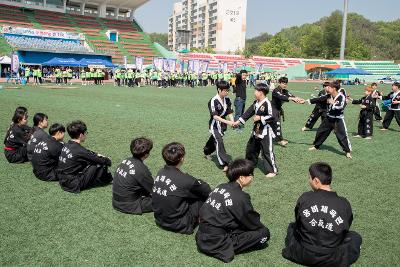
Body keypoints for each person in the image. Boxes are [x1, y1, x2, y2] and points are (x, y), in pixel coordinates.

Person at [282, 162, 362, 267]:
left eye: (309, 178)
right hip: (332, 259)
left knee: (292, 227)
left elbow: (298, 222)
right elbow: (345, 229)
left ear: (316, 181)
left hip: (302, 254)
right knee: (355, 237)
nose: (308, 180)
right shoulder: (344, 203)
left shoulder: (305, 197)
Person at [195, 159, 270, 263]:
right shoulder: (240, 197)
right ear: (241, 178)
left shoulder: (220, 186)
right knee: (264, 233)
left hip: (202, 235)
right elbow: (253, 222)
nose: (252, 177)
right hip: (218, 242)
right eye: (251, 174)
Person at [152, 142, 212, 235]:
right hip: (179, 224)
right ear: (182, 158)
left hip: (159, 219)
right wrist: (198, 181)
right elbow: (206, 191)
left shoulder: (160, 172)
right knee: (204, 197)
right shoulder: (186, 180)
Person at [233, 83, 278, 178]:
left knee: (267, 151)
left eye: (256, 90)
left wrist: (260, 118)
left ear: (261, 92)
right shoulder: (256, 102)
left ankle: (272, 170)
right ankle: (249, 165)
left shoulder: (267, 103)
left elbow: (273, 116)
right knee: (251, 148)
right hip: (256, 130)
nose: (254, 92)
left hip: (266, 131)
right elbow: (249, 112)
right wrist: (239, 122)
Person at [57, 120, 113, 193]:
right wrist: (107, 159)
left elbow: (87, 153)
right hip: (73, 184)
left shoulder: (67, 145)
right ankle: (108, 180)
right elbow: (107, 162)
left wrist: (96, 154)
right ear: (81, 135)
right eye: (86, 133)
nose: (86, 135)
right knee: (99, 163)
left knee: (92, 160)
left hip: (62, 180)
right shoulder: (80, 151)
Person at [309, 81, 352, 159]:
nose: (327, 88)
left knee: (342, 136)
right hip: (329, 118)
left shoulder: (341, 96)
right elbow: (319, 99)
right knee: (321, 131)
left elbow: (340, 106)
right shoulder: (329, 95)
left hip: (338, 119)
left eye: (329, 87)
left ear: (334, 88)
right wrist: (307, 101)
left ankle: (347, 151)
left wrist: (333, 103)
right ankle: (316, 146)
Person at [112, 137, 154, 215]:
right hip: (129, 205)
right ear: (146, 154)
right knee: (163, 200)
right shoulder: (141, 169)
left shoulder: (125, 160)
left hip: (116, 201)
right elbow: (154, 190)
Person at [203, 81, 234, 171]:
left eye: (228, 90)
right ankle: (225, 163)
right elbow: (215, 116)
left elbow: (230, 112)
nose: (226, 92)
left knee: (214, 139)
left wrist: (232, 121)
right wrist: (228, 122)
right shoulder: (213, 101)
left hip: (223, 125)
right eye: (224, 90)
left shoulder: (227, 99)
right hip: (214, 125)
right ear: (219, 90)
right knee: (219, 141)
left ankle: (207, 151)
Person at [271, 77, 304, 146]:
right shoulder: (276, 90)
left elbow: (292, 96)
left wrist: (299, 100)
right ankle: (279, 140)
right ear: (279, 83)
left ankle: (273, 137)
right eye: (283, 83)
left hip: (278, 109)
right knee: (277, 124)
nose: (284, 85)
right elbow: (282, 97)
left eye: (286, 84)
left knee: (272, 124)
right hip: (272, 109)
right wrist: (292, 98)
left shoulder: (285, 91)